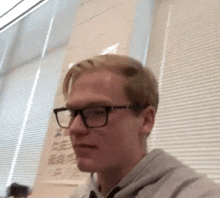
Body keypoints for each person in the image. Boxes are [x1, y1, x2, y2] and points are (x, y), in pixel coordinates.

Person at [53, 54, 220, 198]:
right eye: (73, 113)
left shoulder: (199, 194)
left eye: (97, 111)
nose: (74, 129)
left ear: (146, 120)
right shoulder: (79, 195)